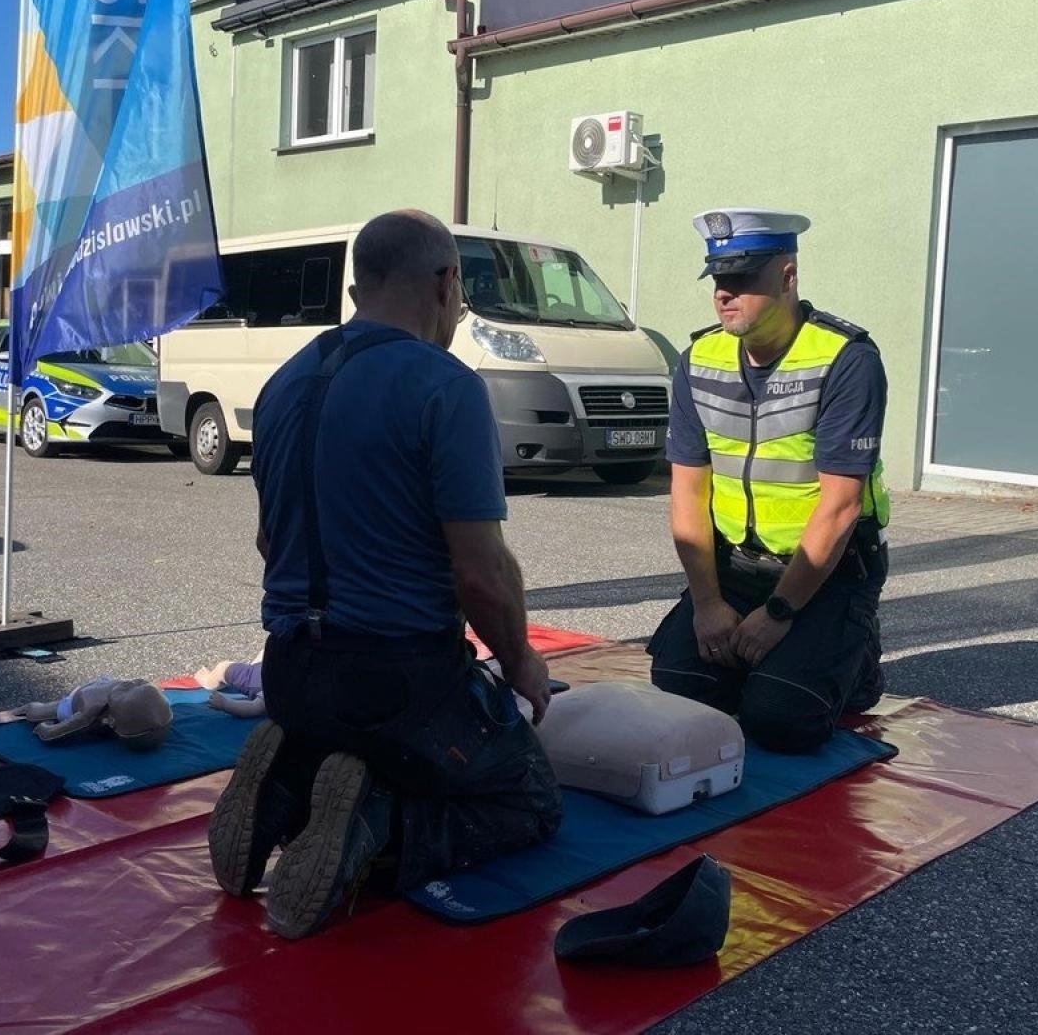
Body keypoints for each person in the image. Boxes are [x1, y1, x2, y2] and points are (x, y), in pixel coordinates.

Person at [209, 209, 562, 940]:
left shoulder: (283, 386)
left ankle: (290, 785)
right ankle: (379, 827)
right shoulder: (444, 386)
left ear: (357, 284)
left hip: (293, 673)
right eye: (460, 291)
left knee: (355, 737)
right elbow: (480, 574)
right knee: (526, 799)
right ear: (445, 282)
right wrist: (522, 662)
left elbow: (272, 542)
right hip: (397, 681)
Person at [648, 208, 891, 754]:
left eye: (741, 279)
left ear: (787, 276)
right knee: (680, 691)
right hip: (733, 569)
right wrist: (709, 604)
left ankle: (856, 660)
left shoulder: (846, 360)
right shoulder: (699, 359)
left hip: (825, 573)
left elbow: (842, 506)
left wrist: (778, 616)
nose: (724, 294)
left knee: (780, 722)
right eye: (718, 280)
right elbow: (688, 491)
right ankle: (784, 658)